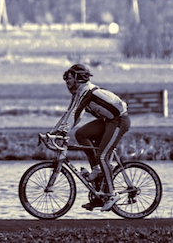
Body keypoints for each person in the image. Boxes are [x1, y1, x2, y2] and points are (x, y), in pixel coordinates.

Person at [50, 64, 131, 211]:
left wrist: (61, 132)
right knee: (81, 134)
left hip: (119, 120)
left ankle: (112, 195)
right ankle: (98, 179)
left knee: (102, 156)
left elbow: (75, 113)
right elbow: (71, 113)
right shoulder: (79, 93)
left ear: (78, 78)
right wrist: (53, 132)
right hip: (107, 121)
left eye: (69, 80)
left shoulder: (86, 90)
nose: (67, 84)